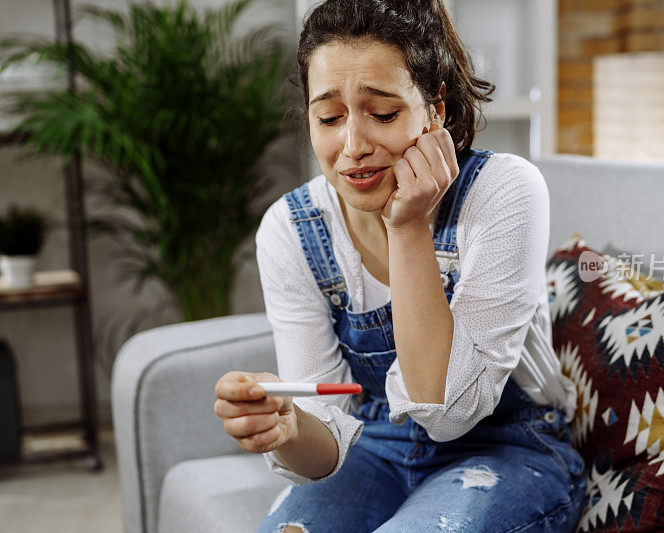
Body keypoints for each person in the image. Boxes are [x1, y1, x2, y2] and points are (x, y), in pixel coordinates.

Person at [213, 1, 587, 531]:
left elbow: (446, 412)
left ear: (435, 111)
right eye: (329, 117)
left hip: (507, 447)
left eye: (383, 114)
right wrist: (288, 427)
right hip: (372, 448)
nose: (354, 146)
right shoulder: (291, 230)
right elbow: (324, 446)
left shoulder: (503, 193)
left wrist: (407, 227)